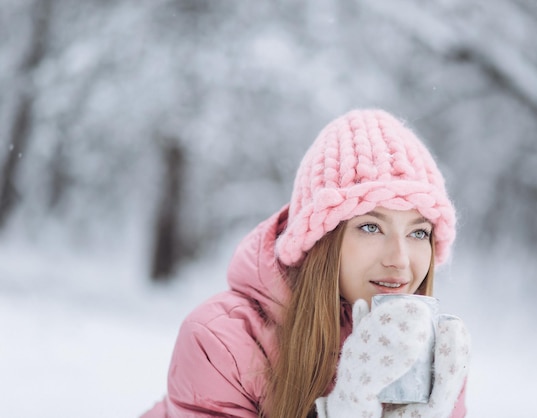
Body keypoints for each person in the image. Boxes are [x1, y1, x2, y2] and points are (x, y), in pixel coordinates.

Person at [141, 109, 470, 418]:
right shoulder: (219, 341)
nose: (399, 260)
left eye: (418, 232)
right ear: (319, 240)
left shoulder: (428, 354)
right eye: (371, 227)